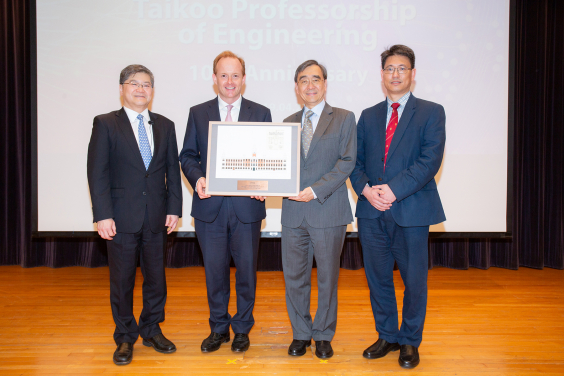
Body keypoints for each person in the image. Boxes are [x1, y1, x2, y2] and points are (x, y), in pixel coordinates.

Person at [350, 44, 446, 369]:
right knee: (378, 279)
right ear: (381, 75)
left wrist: (392, 190)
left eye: (402, 68)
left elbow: (429, 161)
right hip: (371, 212)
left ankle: (409, 341)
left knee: (414, 280)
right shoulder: (368, 115)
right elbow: (355, 161)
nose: (395, 74)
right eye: (390, 69)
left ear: (413, 74)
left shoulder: (432, 112)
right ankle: (388, 335)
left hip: (411, 210)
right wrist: (365, 190)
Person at [87, 64, 182, 365]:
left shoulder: (165, 125)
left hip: (156, 216)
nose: (141, 89)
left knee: (156, 279)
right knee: (123, 280)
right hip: (120, 218)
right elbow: (97, 173)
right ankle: (125, 337)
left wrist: (175, 209)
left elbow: (171, 171)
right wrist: (102, 215)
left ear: (153, 91)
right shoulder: (105, 124)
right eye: (134, 83)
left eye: (146, 84)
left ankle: (152, 329)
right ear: (122, 88)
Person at [179, 51, 272, 353]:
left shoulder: (261, 113)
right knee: (214, 272)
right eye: (223, 75)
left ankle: (242, 328)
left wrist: (264, 182)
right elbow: (187, 156)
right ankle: (218, 327)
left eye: (235, 75)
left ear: (244, 79)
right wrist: (197, 179)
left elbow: (269, 159)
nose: (229, 81)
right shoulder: (198, 112)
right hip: (210, 207)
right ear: (214, 79)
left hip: (247, 207)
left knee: (246, 271)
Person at [281, 60, 356, 359]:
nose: (310, 85)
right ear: (296, 88)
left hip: (328, 209)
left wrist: (314, 190)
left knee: (327, 277)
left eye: (316, 79)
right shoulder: (286, 123)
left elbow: (347, 162)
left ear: (325, 84)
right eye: (303, 80)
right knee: (294, 277)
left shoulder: (344, 118)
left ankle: (323, 334)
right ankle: (301, 333)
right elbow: (278, 167)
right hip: (292, 213)